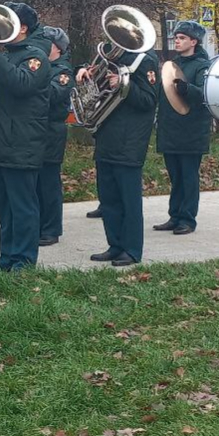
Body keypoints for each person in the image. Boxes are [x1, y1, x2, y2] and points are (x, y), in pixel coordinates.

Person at [0, 2, 51, 274]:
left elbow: (21, 84)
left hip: (22, 142)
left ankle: (24, 261)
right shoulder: (4, 55)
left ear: (23, 28)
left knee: (23, 206)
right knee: (4, 207)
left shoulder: (35, 56)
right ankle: (7, 258)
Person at [76, 35, 159, 267]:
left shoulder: (146, 61)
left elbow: (149, 100)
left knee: (128, 200)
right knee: (109, 197)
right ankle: (115, 245)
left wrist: (124, 86)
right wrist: (87, 73)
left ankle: (132, 250)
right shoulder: (114, 57)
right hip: (107, 135)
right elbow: (98, 85)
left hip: (130, 139)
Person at [153, 20, 212, 235]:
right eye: (176, 38)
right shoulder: (172, 64)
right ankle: (175, 215)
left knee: (188, 176)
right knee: (175, 176)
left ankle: (187, 218)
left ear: (193, 41)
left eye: (182, 38)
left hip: (191, 131)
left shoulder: (203, 66)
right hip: (171, 129)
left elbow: (205, 95)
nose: (177, 41)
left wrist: (188, 89)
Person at [37, 27, 74, 246]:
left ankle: (51, 229)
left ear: (56, 48)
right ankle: (40, 225)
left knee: (49, 183)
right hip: (37, 129)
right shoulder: (44, 67)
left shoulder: (62, 71)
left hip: (52, 130)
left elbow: (53, 95)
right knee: (36, 182)